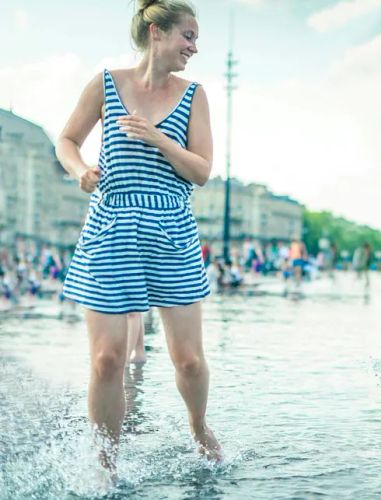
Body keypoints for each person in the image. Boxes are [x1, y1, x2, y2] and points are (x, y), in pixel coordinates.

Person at [56, 0, 221, 473]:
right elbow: (66, 140)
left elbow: (203, 171)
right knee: (108, 359)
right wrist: (80, 170)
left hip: (172, 231)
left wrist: (159, 138)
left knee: (188, 360)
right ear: (156, 32)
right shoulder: (107, 84)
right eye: (188, 36)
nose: (194, 47)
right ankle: (106, 462)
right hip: (111, 227)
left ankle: (198, 427)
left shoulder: (194, 95)